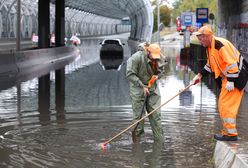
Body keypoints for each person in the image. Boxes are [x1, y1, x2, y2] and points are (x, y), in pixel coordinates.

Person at [192, 25, 245, 141]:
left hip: (236, 78)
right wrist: (199, 75)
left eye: (201, 39)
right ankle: (227, 132)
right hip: (229, 78)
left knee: (226, 106)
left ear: (207, 36)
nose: (200, 41)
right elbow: (211, 65)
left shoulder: (220, 45)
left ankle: (231, 134)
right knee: (222, 105)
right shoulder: (210, 47)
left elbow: (232, 64)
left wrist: (231, 81)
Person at [126, 43, 164, 141]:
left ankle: (160, 142)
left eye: (156, 57)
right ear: (148, 52)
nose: (154, 59)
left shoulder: (159, 57)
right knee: (139, 119)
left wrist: (157, 76)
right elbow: (130, 74)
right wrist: (142, 85)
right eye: (153, 57)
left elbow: (162, 70)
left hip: (153, 88)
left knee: (156, 116)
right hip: (138, 89)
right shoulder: (136, 58)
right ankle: (137, 144)